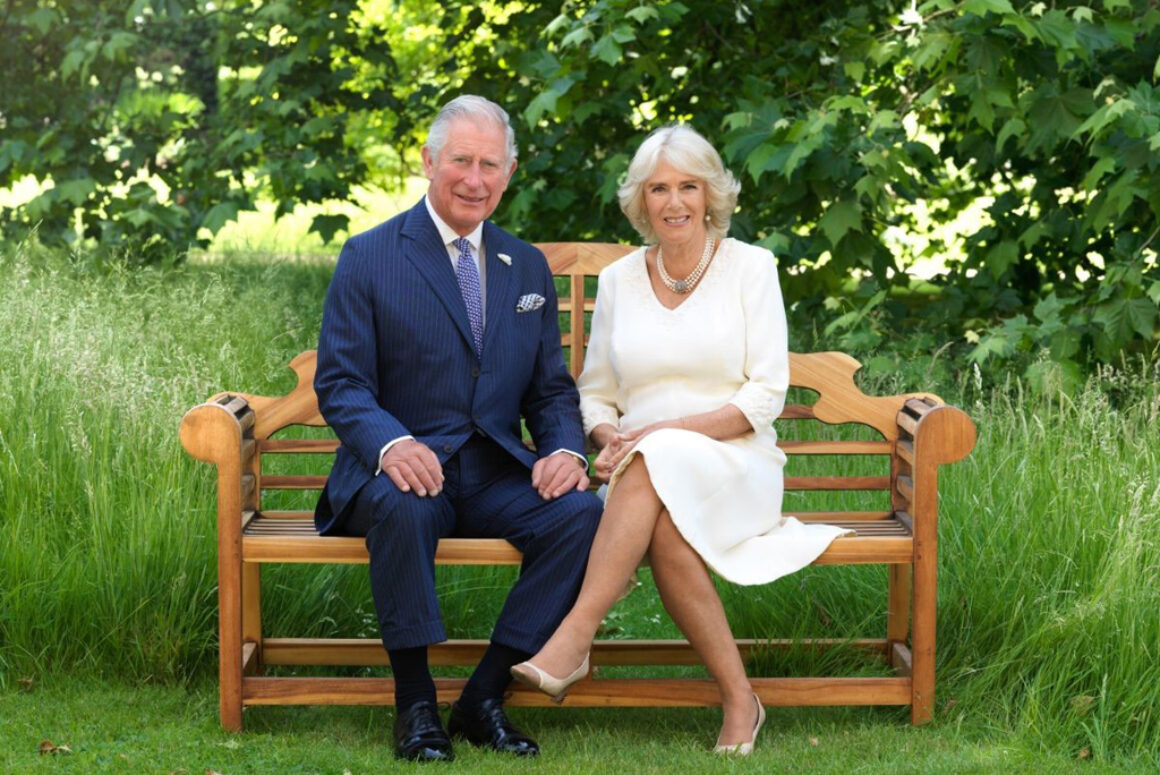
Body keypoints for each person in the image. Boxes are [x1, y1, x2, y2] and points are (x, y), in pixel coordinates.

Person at [510, 125, 851, 755]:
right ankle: (739, 700)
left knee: (656, 453)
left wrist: (656, 433)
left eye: (688, 186)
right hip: (647, 477)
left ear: (710, 194)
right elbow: (595, 392)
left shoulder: (751, 267)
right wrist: (611, 435)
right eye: (659, 188)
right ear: (641, 200)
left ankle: (576, 633)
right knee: (664, 517)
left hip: (737, 466)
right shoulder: (617, 280)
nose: (674, 202)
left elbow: (763, 397)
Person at [313, 95, 603, 762]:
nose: (475, 179)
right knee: (403, 503)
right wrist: (390, 443)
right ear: (428, 162)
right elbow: (341, 383)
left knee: (581, 514)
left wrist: (563, 447)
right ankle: (415, 704)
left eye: (490, 165)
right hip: (399, 469)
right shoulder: (369, 256)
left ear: (510, 172)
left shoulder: (524, 265)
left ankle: (483, 695)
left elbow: (550, 388)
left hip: (491, 469)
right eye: (461, 161)